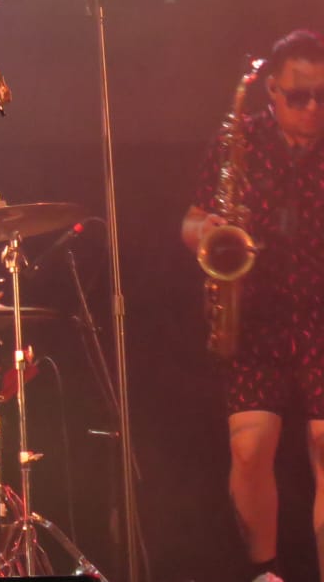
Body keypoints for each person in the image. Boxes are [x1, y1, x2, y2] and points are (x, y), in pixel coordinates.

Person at [181, 29, 324, 582]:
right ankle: (265, 573)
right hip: (256, 310)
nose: (312, 109)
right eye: (299, 96)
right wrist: (208, 233)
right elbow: (192, 219)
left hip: (321, 309)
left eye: (321, 96)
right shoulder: (239, 137)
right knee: (249, 448)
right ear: (272, 90)